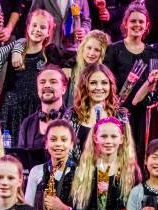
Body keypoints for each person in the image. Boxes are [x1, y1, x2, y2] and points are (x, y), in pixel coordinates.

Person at [71, 117, 140, 210]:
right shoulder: (85, 170)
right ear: (95, 138)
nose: (108, 141)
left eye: (113, 136)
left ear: (121, 139)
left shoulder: (130, 172)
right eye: (103, 136)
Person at [103, 2, 158, 159]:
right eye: (133, 21)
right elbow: (107, 82)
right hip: (119, 112)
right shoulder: (113, 50)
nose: (137, 24)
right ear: (125, 23)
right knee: (119, 155)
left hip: (144, 114)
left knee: (141, 155)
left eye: (141, 21)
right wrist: (116, 107)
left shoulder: (152, 53)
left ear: (147, 25)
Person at [0, 9, 55, 143]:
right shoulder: (14, 51)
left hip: (35, 109)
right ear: (28, 26)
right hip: (12, 108)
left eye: (42, 27)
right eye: (34, 25)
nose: (37, 29)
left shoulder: (50, 54)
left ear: (48, 32)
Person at [65, 63, 126, 161]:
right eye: (93, 83)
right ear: (85, 86)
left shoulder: (119, 116)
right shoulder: (72, 115)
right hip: (78, 173)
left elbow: (125, 151)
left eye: (104, 83)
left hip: (110, 173)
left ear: (110, 85)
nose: (99, 87)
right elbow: (67, 153)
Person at [17, 64, 68, 152]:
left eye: (53, 82)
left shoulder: (73, 120)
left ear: (63, 89)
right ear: (37, 89)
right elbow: (22, 159)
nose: (47, 85)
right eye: (42, 82)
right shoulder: (27, 123)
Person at [62, 30, 110, 108]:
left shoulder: (105, 74)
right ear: (83, 47)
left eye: (97, 50)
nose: (91, 53)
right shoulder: (70, 67)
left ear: (103, 53)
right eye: (89, 48)